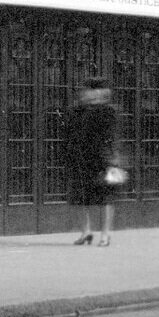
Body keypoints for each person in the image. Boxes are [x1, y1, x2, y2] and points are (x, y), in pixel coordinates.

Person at [62, 77, 121, 245]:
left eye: (91, 91)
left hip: (102, 159)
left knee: (105, 198)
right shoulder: (76, 112)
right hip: (80, 159)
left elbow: (112, 136)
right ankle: (85, 231)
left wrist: (112, 158)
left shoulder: (108, 111)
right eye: (85, 91)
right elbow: (69, 135)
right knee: (79, 197)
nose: (86, 94)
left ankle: (105, 234)